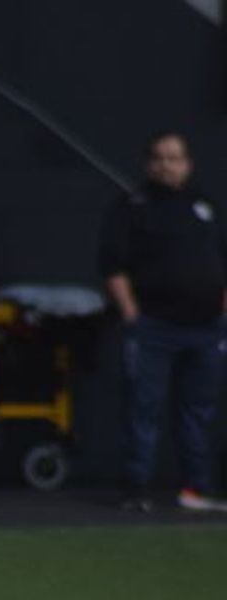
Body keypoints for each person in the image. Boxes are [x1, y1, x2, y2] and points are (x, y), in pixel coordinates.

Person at [98, 132, 227, 513]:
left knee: (198, 411)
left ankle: (194, 489)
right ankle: (136, 489)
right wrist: (131, 313)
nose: (167, 165)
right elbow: (111, 265)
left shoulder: (204, 205)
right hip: (154, 326)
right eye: (160, 158)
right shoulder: (132, 205)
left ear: (187, 163)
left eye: (175, 158)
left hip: (206, 327)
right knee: (144, 409)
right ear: (148, 163)